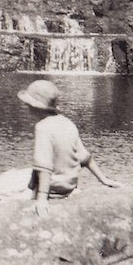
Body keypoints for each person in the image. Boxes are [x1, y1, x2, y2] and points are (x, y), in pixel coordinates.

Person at [17, 79, 120, 216]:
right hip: (69, 187)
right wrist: (104, 179)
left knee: (5, 189)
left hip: (53, 190)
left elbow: (44, 166)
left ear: (34, 106)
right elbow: (84, 157)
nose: (27, 108)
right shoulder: (67, 123)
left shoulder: (42, 127)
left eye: (27, 105)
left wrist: (41, 199)